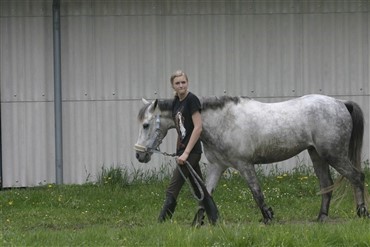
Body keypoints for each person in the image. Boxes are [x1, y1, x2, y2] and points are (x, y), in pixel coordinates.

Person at [158, 70, 212, 226]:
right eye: (177, 83)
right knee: (199, 188)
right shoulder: (176, 102)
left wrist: (186, 152)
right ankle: (215, 220)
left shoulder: (191, 100)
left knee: (172, 189)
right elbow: (180, 130)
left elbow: (198, 128)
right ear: (173, 86)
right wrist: (178, 152)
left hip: (192, 152)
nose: (181, 85)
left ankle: (160, 225)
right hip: (183, 152)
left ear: (187, 82)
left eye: (183, 82)